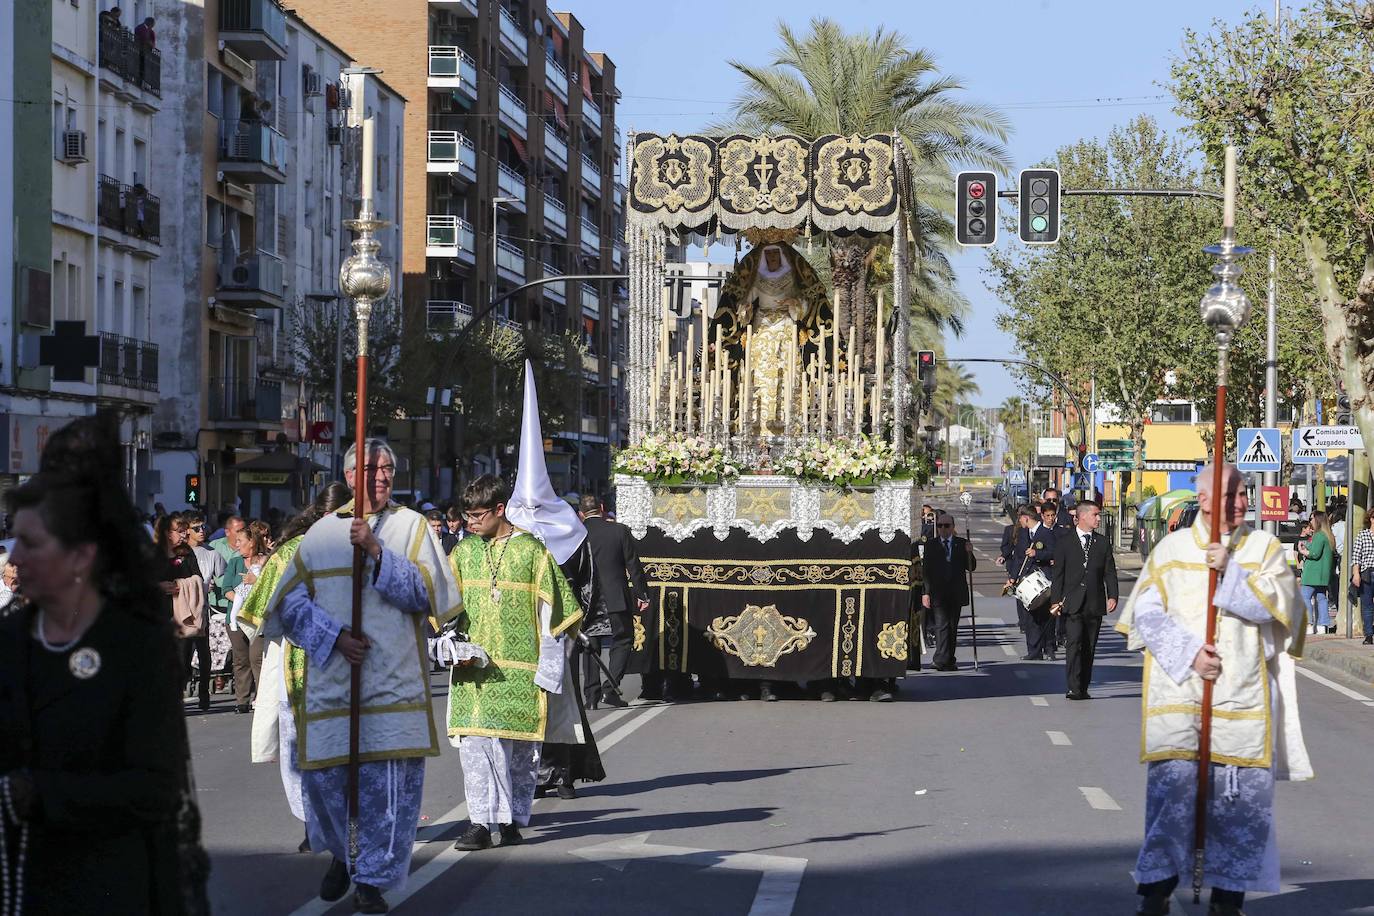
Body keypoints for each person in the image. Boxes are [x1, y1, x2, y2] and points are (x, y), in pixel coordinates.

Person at [0, 411, 210, 915]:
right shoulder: (10, 638)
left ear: (79, 556)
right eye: (12, 542)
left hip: (108, 880)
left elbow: (156, 786)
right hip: (20, 878)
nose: (14, 559)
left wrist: (45, 794)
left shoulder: (134, 646)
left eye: (30, 544)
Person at [258, 440, 461, 913]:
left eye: (388, 469)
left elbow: (428, 597)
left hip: (393, 687)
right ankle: (342, 854)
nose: (382, 477)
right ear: (350, 476)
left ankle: (371, 880)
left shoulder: (411, 527)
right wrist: (332, 637)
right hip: (332, 683)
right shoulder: (320, 535)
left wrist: (375, 550)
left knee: (386, 792)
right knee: (326, 785)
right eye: (372, 469)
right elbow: (286, 604)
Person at [1117, 465, 1311, 916]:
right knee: (1174, 798)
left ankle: (1228, 900)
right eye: (1231, 495)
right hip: (1182, 694)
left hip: (1242, 697)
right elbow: (1144, 613)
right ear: (1203, 500)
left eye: (1243, 493)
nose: (1241, 502)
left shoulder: (1263, 548)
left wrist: (1232, 573)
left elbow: (1288, 611)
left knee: (1238, 807)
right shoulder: (1171, 549)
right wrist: (1190, 655)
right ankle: (1157, 893)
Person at [446, 474, 583, 851]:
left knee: (517, 753)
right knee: (476, 749)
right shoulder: (463, 553)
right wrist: (446, 642)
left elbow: (554, 614)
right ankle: (478, 823)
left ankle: (509, 821)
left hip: (521, 671)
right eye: (467, 516)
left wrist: (550, 670)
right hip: (473, 671)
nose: (470, 523)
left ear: (499, 509)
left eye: (477, 516)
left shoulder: (532, 552)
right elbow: (443, 607)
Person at [239, 482, 352, 854]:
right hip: (300, 666)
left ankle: (345, 823)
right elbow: (258, 612)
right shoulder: (289, 553)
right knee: (299, 750)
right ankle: (312, 823)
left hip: (351, 662)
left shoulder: (364, 550)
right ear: (320, 515)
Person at [578, 494, 649, 707]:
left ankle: (591, 697)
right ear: (601, 508)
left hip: (586, 598)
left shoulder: (577, 534)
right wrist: (642, 593)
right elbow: (633, 565)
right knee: (623, 640)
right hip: (615, 595)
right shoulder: (619, 531)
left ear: (581, 514)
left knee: (590, 645)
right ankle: (611, 689)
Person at [1049, 499, 1118, 700]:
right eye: (1095, 514)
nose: (1098, 518)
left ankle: (1084, 686)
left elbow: (1110, 572)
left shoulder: (1102, 542)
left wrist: (1112, 595)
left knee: (1088, 646)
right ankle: (1073, 686)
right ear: (1083, 516)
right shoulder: (1064, 541)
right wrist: (1055, 601)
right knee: (1074, 644)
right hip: (1071, 603)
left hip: (1094, 603)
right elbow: (1058, 575)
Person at [921, 513, 977, 671]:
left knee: (952, 626)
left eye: (946, 526)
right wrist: (926, 592)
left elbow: (971, 567)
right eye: (940, 526)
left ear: (952, 527)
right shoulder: (931, 545)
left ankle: (950, 659)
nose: (943, 529)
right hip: (938, 592)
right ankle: (939, 658)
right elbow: (926, 570)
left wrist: (969, 552)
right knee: (941, 625)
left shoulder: (961, 543)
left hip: (956, 591)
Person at [185, 510, 222, 711]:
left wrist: (215, 586)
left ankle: (204, 693)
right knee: (183, 653)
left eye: (203, 527)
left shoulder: (212, 553)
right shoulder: (181, 553)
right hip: (182, 609)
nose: (202, 531)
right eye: (196, 528)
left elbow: (220, 578)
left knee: (203, 651)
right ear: (187, 531)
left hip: (202, 609)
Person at [1023, 502, 1062, 661]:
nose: (1051, 519)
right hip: (1030, 579)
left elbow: (1054, 552)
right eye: (1048, 516)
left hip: (1046, 578)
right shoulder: (1026, 533)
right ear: (1041, 516)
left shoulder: (1047, 533)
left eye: (1053, 515)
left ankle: (1050, 647)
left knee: (1048, 615)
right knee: (1032, 617)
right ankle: (1035, 651)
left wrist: (1037, 554)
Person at [1298, 510, 1334, 634]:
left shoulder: (1319, 535)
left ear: (1317, 520)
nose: (1310, 521)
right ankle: (1322, 625)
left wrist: (1303, 551)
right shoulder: (1328, 535)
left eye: (1312, 518)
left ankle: (1308, 624)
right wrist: (1307, 545)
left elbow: (1314, 553)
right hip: (1323, 575)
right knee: (1322, 598)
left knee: (1305, 597)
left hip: (1312, 573)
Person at [1352, 511, 1374, 645]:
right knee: (1367, 606)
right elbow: (1356, 556)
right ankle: (1369, 635)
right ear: (1371, 519)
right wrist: (1356, 573)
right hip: (1367, 573)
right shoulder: (1362, 535)